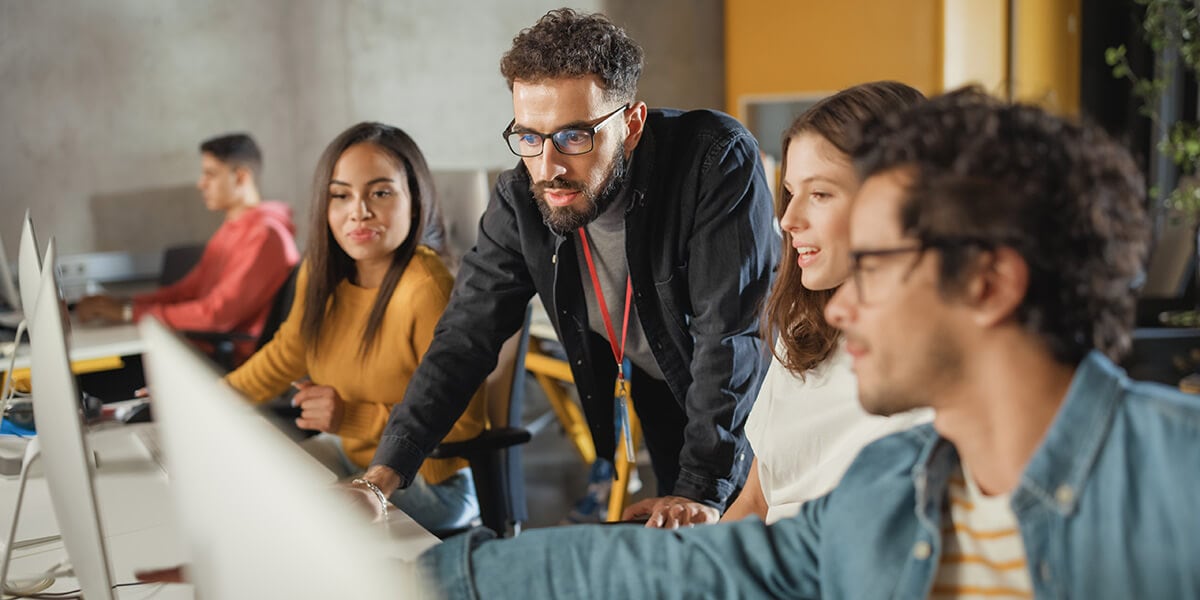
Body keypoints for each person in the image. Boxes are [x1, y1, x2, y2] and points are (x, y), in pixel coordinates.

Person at [414, 89, 1200, 598]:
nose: (843, 303)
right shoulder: (887, 493)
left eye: (876, 264)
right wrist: (445, 577)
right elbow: (683, 574)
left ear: (989, 283)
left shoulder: (1178, 482)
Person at [359, 8, 778, 528]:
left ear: (632, 124)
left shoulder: (713, 159)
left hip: (757, 400)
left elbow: (730, 335)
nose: (548, 167)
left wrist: (701, 489)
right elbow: (465, 335)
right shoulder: (520, 196)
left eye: (574, 136)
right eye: (529, 137)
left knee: (748, 544)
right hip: (661, 386)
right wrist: (380, 479)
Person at [226, 122, 486, 533]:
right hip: (352, 457)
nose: (358, 211)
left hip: (430, 484)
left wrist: (351, 418)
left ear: (415, 201)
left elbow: (466, 421)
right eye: (341, 195)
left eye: (380, 193)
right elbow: (286, 353)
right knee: (250, 489)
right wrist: (208, 398)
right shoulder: (321, 271)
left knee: (296, 520)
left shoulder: (426, 288)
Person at [720, 81, 931, 525]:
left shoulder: (937, 381)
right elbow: (755, 503)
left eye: (820, 194)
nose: (788, 219)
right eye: (791, 192)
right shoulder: (805, 327)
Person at [76, 133, 299, 364]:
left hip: (225, 361)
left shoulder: (265, 236)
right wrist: (126, 303)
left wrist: (130, 313)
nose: (201, 183)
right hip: (200, 347)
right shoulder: (233, 228)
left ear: (241, 177)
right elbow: (185, 292)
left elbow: (217, 315)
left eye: (210, 174)